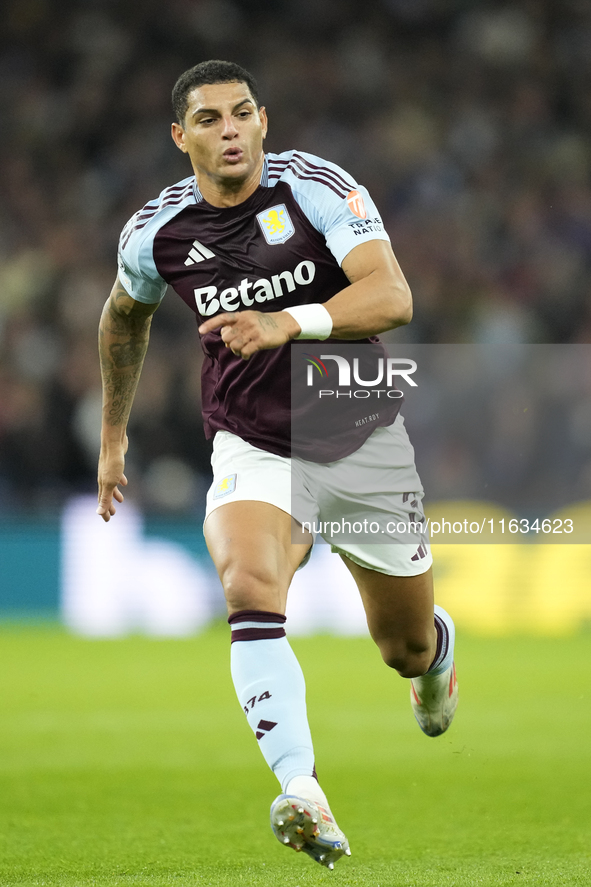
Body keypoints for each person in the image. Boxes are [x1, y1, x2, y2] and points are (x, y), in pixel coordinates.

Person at [96, 59, 458, 870]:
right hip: (251, 440)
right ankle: (303, 789)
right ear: (179, 136)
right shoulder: (156, 232)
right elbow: (123, 317)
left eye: (242, 114)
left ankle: (435, 664)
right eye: (211, 119)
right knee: (248, 587)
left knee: (400, 645)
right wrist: (114, 434)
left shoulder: (315, 187)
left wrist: (288, 321)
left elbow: (392, 296)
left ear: (264, 120)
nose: (230, 131)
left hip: (358, 429)